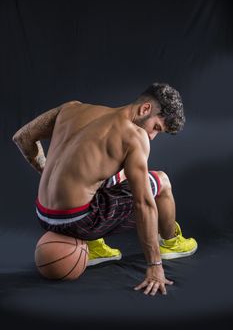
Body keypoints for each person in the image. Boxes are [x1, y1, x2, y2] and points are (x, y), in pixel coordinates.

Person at [12, 82, 197, 296]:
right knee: (161, 181)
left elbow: (22, 137)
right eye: (156, 127)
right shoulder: (134, 136)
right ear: (145, 109)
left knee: (116, 175)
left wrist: (49, 174)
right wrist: (154, 265)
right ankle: (171, 243)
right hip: (79, 221)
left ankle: (96, 247)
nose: (153, 136)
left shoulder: (72, 108)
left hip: (44, 215)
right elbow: (143, 203)